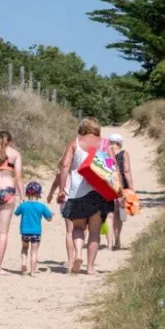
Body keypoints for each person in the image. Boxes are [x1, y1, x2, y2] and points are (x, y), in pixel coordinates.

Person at [57, 117, 115, 275]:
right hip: (99, 192)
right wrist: (118, 192)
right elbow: (113, 167)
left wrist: (62, 189)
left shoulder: (74, 143)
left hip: (77, 193)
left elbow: (65, 166)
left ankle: (78, 254)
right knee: (94, 231)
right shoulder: (105, 144)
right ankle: (90, 267)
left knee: (77, 228)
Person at [0, 131, 24, 275]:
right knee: (3, 231)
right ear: (10, 141)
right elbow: (18, 177)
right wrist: (23, 196)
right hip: (7, 191)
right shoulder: (15, 154)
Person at [15, 181, 53, 276]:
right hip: (36, 233)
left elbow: (16, 213)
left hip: (24, 232)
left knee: (24, 248)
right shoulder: (42, 206)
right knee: (34, 252)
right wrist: (51, 214)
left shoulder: (23, 205)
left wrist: (21, 204)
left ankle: (24, 263)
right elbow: (49, 219)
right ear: (39, 194)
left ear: (27, 193)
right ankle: (32, 272)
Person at [106, 133, 135, 250]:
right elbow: (127, 171)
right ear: (120, 142)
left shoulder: (105, 152)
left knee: (110, 214)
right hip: (121, 186)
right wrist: (131, 188)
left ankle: (109, 241)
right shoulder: (124, 153)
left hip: (108, 185)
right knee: (120, 214)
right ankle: (117, 239)